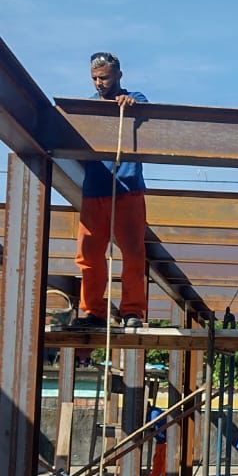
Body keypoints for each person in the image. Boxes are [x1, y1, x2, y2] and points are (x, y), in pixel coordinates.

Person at [67, 51, 147, 330]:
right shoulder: (89, 108)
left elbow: (147, 114)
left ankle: (132, 310)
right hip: (94, 190)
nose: (99, 83)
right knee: (88, 255)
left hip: (127, 189)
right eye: (95, 78)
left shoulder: (134, 99)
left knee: (133, 252)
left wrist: (132, 105)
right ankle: (94, 311)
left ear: (118, 76)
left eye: (104, 78)